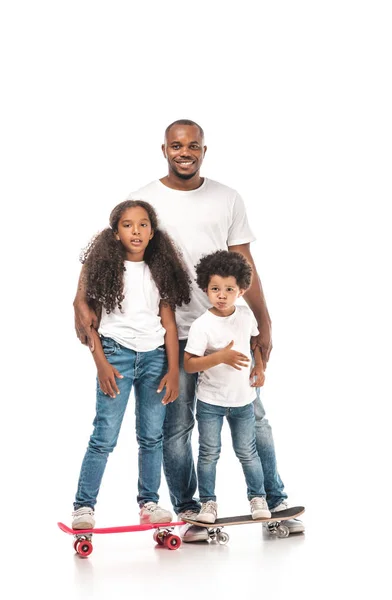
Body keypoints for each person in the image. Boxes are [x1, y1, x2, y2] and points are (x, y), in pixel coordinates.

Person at [73, 119, 305, 539]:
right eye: (176, 145)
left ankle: (276, 502)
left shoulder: (227, 197)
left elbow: (245, 263)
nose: (185, 152)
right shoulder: (143, 199)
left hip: (226, 329)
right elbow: (106, 249)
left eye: (193, 145)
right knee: (175, 428)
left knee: (253, 418)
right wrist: (78, 300)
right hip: (170, 334)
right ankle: (190, 511)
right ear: (164, 149)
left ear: (203, 149)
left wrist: (264, 321)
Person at [71, 200, 191, 529]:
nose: (135, 230)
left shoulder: (160, 270)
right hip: (116, 354)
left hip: (155, 359)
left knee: (151, 437)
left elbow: (169, 325)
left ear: (152, 232)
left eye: (142, 224)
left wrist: (172, 371)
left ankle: (150, 504)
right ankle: (84, 506)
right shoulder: (106, 270)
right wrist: (102, 364)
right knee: (104, 436)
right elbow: (90, 326)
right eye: (127, 225)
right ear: (115, 233)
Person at [184, 250, 271, 523]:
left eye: (228, 289)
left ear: (241, 290)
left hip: (243, 401)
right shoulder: (202, 325)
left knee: (248, 452)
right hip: (211, 402)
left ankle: (258, 498)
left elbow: (255, 343)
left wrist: (259, 367)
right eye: (215, 289)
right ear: (206, 289)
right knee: (209, 454)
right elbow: (189, 364)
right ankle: (208, 503)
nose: (221, 295)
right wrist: (220, 357)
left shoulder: (245, 318)